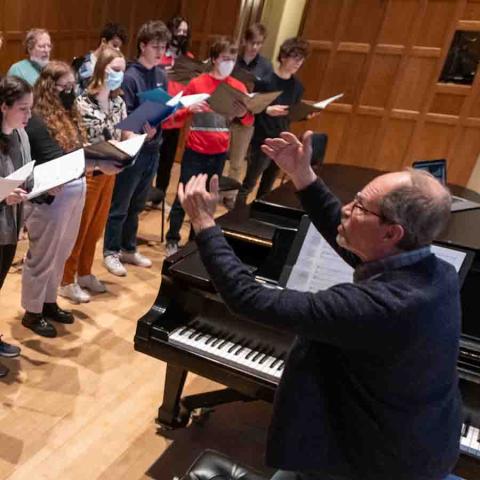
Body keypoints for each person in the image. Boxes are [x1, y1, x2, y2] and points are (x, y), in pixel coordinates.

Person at [178, 131, 462, 480]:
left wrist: (205, 224)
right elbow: (350, 237)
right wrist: (303, 176)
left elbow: (247, 298)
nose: (347, 207)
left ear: (392, 233)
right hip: (419, 440)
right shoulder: (438, 272)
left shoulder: (379, 307)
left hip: (377, 464)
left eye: (359, 206)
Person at [21, 61, 120, 338]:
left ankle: (49, 302)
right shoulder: (38, 119)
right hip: (50, 199)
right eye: (64, 87)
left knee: (61, 254)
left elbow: (78, 149)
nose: (70, 92)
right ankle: (32, 311)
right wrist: (97, 161)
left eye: (72, 86)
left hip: (75, 190)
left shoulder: (68, 113)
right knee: (43, 256)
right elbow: (57, 158)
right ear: (50, 87)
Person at [165, 37, 254, 256]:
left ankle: (196, 241)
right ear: (214, 59)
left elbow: (248, 121)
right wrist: (189, 109)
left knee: (207, 199)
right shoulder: (198, 83)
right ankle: (172, 238)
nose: (229, 63)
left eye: (232, 59)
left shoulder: (238, 86)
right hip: (195, 150)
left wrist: (243, 114)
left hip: (219, 152)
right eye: (225, 58)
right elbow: (175, 112)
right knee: (183, 195)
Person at [60, 47, 130, 303]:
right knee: (80, 228)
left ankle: (85, 272)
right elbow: (78, 140)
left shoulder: (118, 101)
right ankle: (66, 280)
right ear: (101, 70)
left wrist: (136, 137)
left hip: (111, 172)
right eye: (115, 70)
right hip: (89, 172)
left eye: (123, 71)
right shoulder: (82, 102)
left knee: (96, 227)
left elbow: (124, 133)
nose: (119, 76)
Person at [103, 20, 170, 276]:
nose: (160, 50)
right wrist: (143, 127)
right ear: (142, 45)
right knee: (121, 204)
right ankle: (111, 251)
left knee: (138, 203)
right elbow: (124, 114)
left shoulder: (161, 74)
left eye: (163, 46)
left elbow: (162, 108)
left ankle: (129, 248)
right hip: (133, 148)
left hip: (154, 147)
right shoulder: (130, 76)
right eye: (155, 45)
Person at [236, 37, 309, 205]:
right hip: (263, 138)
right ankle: (237, 215)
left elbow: (292, 112)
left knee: (268, 184)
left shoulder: (298, 86)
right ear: (283, 57)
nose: (299, 63)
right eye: (295, 58)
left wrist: (305, 114)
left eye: (302, 59)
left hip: (282, 138)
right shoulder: (266, 81)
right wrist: (267, 110)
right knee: (250, 182)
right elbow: (251, 109)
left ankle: (258, 217)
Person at [0, 76, 33, 377]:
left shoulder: (21, 135)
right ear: (3, 107)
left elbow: (26, 174)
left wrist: (46, 187)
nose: (28, 115)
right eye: (22, 108)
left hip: (10, 227)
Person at [148, 15, 194, 209]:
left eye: (185, 32)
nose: (181, 35)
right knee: (151, 159)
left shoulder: (189, 60)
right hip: (157, 117)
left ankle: (159, 197)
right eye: (178, 31)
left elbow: (191, 89)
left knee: (167, 161)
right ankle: (144, 194)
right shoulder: (160, 57)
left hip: (177, 119)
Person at [226, 23, 272, 185]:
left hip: (246, 118)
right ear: (244, 41)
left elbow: (266, 94)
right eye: (252, 42)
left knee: (237, 162)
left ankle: (229, 195)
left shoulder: (266, 66)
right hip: (225, 113)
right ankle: (211, 192)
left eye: (259, 43)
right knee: (216, 156)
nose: (255, 47)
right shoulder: (232, 60)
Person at [74, 22, 128, 92]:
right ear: (104, 41)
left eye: (119, 47)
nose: (118, 50)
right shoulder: (83, 64)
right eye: (114, 45)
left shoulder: (115, 65)